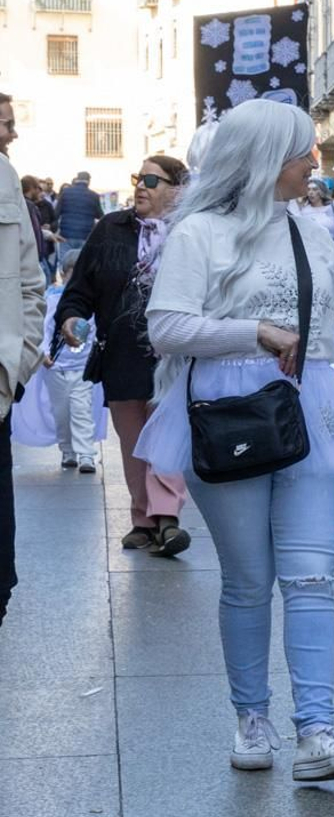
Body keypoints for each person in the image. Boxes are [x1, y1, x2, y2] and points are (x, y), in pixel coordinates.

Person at [137, 99, 334, 782]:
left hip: (311, 412)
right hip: (225, 414)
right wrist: (252, 332)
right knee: (248, 581)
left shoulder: (311, 231)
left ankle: (318, 734)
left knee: (311, 577)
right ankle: (252, 719)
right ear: (268, 157)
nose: (314, 161)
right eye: (304, 150)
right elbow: (166, 327)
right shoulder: (198, 232)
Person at [57, 155, 193, 557]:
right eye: (139, 178)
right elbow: (80, 288)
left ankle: (167, 518)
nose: (141, 186)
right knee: (134, 442)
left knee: (166, 434)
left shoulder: (191, 232)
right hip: (120, 351)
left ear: (177, 189)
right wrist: (71, 318)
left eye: (152, 179)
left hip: (173, 353)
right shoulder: (110, 229)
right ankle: (143, 520)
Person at [0, 89, 47, 627]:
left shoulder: (5, 178)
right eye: (4, 123)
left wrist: (17, 363)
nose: (12, 133)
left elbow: (31, 284)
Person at [37, 251, 104, 471]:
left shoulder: (94, 301)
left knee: (81, 409)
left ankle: (86, 454)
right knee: (61, 412)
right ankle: (67, 450)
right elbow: (45, 328)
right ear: (63, 274)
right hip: (56, 367)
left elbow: (97, 330)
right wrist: (44, 352)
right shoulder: (53, 298)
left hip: (82, 367)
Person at [56, 171, 103, 254]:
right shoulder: (94, 196)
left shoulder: (66, 192)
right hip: (85, 235)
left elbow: (56, 213)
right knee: (81, 263)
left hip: (66, 235)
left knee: (64, 262)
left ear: (77, 179)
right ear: (89, 181)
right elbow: (100, 215)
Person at [289, 176, 334, 242]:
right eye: (308, 189)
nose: (311, 192)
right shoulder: (303, 211)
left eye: (315, 189)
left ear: (321, 191)